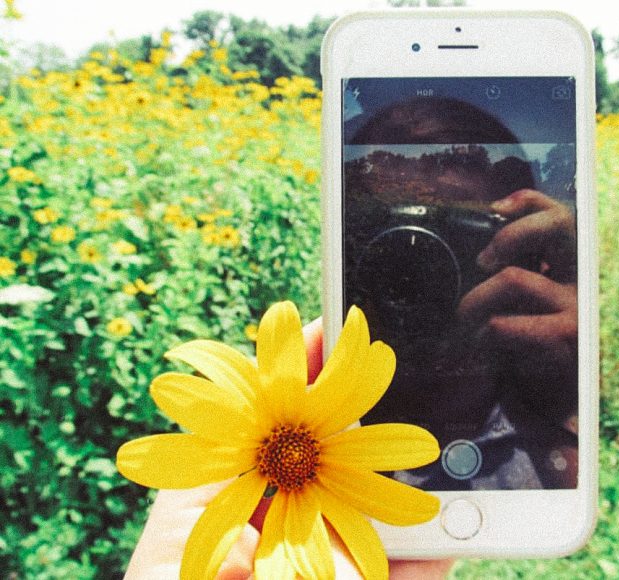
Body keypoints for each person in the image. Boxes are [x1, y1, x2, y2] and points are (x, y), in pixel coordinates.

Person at [346, 97, 578, 490]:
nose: (413, 269)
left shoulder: (546, 432)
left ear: (523, 253)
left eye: (455, 237)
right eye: (384, 233)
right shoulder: (302, 429)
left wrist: (568, 410)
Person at [124, 318, 454, 580]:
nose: (294, 458)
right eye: (286, 453)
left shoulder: (307, 465)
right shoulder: (280, 459)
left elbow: (377, 365)